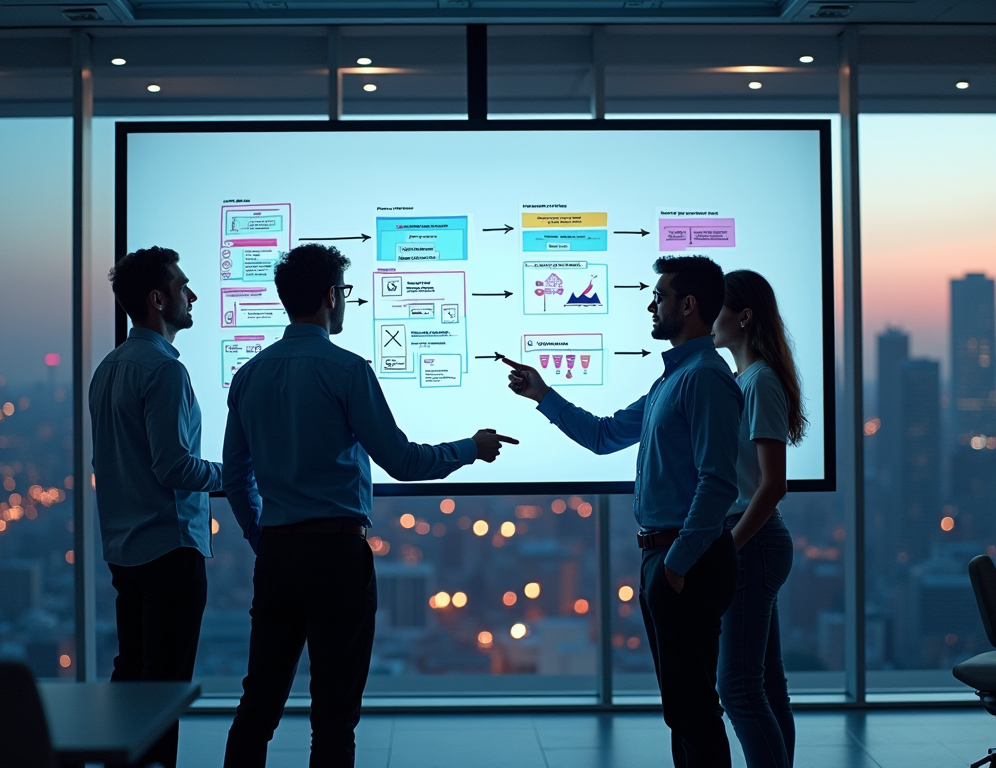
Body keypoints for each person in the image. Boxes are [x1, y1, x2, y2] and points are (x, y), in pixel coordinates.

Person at [221, 243, 518, 768]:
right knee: (334, 712)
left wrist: (258, 535)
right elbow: (402, 460)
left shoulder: (248, 375)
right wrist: (471, 448)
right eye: (347, 294)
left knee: (259, 701)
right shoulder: (346, 371)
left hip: (276, 556)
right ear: (331, 296)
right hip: (335, 557)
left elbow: (236, 475)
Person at [505, 255, 742, 767]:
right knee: (683, 709)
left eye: (659, 296)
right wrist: (543, 394)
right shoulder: (671, 381)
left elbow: (719, 482)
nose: (651, 305)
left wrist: (676, 565)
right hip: (671, 557)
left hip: (688, 558)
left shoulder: (703, 379)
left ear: (688, 304)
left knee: (695, 708)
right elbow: (604, 435)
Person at [89, 246, 222, 768]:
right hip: (169, 548)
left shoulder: (109, 368)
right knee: (165, 691)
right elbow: (175, 468)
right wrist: (235, 475)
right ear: (157, 299)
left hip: (125, 549)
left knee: (133, 681)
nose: (192, 295)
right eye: (182, 286)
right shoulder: (164, 371)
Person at [713, 270, 807, 768]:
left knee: (739, 690)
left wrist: (730, 545)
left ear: (743, 317)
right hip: (750, 539)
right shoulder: (742, 380)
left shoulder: (761, 382)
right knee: (765, 686)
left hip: (751, 541)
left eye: (716, 308)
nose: (707, 319)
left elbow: (773, 484)